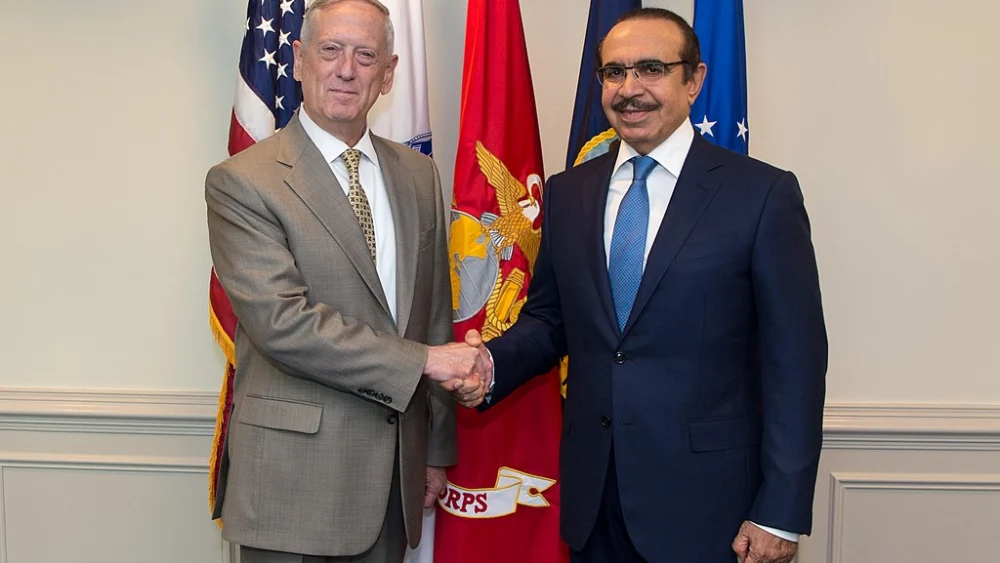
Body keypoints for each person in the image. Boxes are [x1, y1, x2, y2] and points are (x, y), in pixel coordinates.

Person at [468, 8, 827, 563]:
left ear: (694, 80)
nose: (630, 89)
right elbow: (550, 321)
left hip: (713, 509)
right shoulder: (570, 194)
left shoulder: (761, 196)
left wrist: (779, 509)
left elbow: (796, 364)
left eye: (651, 69)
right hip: (595, 501)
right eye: (614, 72)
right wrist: (488, 364)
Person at [205, 1, 487, 561]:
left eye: (366, 55)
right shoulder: (242, 182)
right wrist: (429, 361)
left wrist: (434, 450)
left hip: (392, 485)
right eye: (330, 50)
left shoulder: (417, 174)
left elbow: (431, 313)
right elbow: (284, 325)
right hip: (292, 488)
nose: (346, 69)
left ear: (388, 74)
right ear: (300, 59)